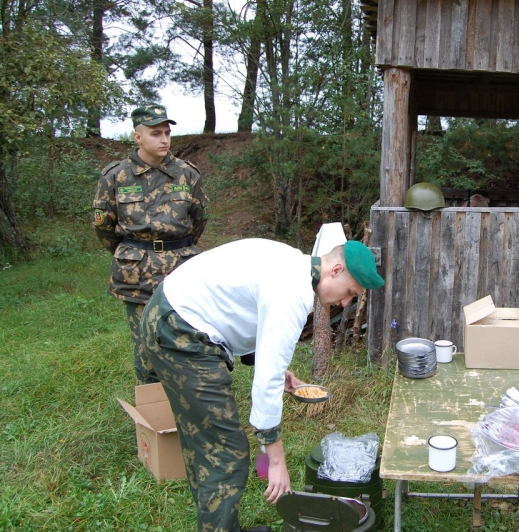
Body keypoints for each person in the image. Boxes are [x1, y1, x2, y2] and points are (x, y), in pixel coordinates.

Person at [140, 238, 384, 532]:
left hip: (171, 311)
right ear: (335, 269)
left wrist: (280, 371)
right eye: (350, 292)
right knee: (225, 454)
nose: (345, 303)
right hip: (181, 331)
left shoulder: (294, 264)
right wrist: (276, 461)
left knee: (208, 443)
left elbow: (244, 312)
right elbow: (265, 385)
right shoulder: (292, 293)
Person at [92, 104, 209, 385]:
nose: (164, 139)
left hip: (181, 268)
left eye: (167, 133)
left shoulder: (187, 174)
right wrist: (132, 251)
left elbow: (200, 218)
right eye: (156, 133)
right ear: (137, 137)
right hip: (136, 272)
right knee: (146, 346)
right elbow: (103, 225)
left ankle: (187, 399)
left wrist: (177, 248)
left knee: (186, 337)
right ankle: (154, 412)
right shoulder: (116, 176)